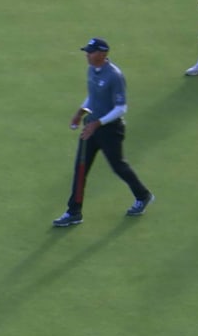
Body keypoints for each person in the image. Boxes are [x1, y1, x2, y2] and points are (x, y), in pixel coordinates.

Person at [53, 38, 155, 227]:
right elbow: (93, 97)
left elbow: (121, 108)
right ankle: (74, 212)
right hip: (91, 127)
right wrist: (80, 113)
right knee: (80, 169)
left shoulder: (114, 76)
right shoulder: (91, 69)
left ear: (102, 54)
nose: (87, 55)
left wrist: (98, 123)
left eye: (90, 52)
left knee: (118, 166)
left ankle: (143, 195)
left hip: (110, 130)